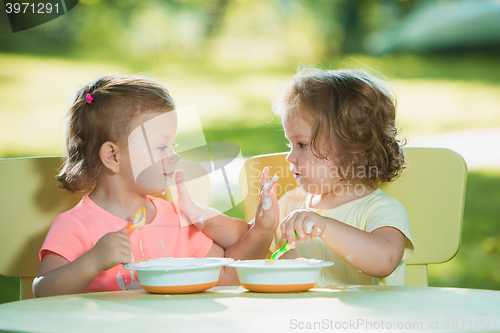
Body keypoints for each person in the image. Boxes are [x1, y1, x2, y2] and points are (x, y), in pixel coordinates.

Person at [33, 75, 279, 297]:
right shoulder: (76, 225)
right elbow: (43, 290)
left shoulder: (174, 219)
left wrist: (262, 231)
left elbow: (227, 274)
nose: (173, 156)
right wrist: (92, 261)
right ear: (113, 157)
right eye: (162, 147)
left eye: (173, 146)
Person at [270, 67, 414, 285]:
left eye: (302, 144)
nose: (290, 157)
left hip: (373, 319)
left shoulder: (379, 209)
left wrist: (324, 226)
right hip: (303, 319)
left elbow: (385, 260)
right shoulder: (290, 204)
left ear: (351, 151)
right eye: (290, 144)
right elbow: (246, 251)